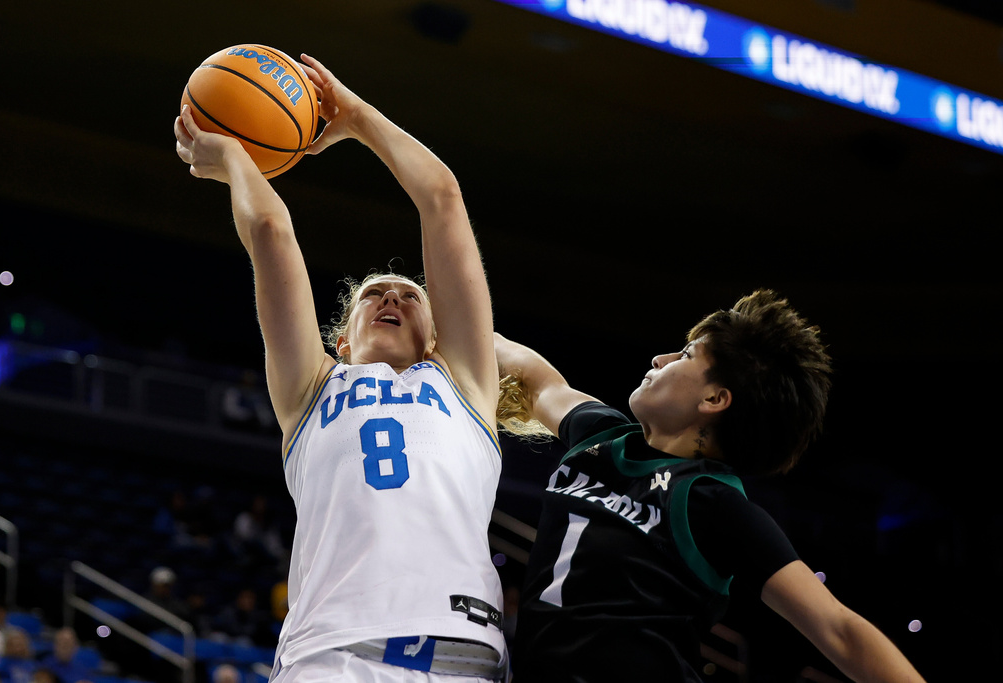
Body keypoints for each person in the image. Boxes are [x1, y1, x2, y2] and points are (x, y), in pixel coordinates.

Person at [174, 54, 506, 681]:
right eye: (374, 295)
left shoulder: (462, 380)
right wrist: (233, 160)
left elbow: (441, 198)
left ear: (438, 337)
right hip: (329, 653)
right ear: (342, 343)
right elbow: (271, 231)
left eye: (412, 297)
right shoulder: (311, 389)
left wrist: (354, 116)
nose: (393, 299)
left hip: (460, 649)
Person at [494, 290, 925, 682]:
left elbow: (840, 630)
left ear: (714, 400)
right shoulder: (600, 436)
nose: (659, 359)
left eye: (684, 354)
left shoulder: (714, 504)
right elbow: (529, 372)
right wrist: (430, 310)